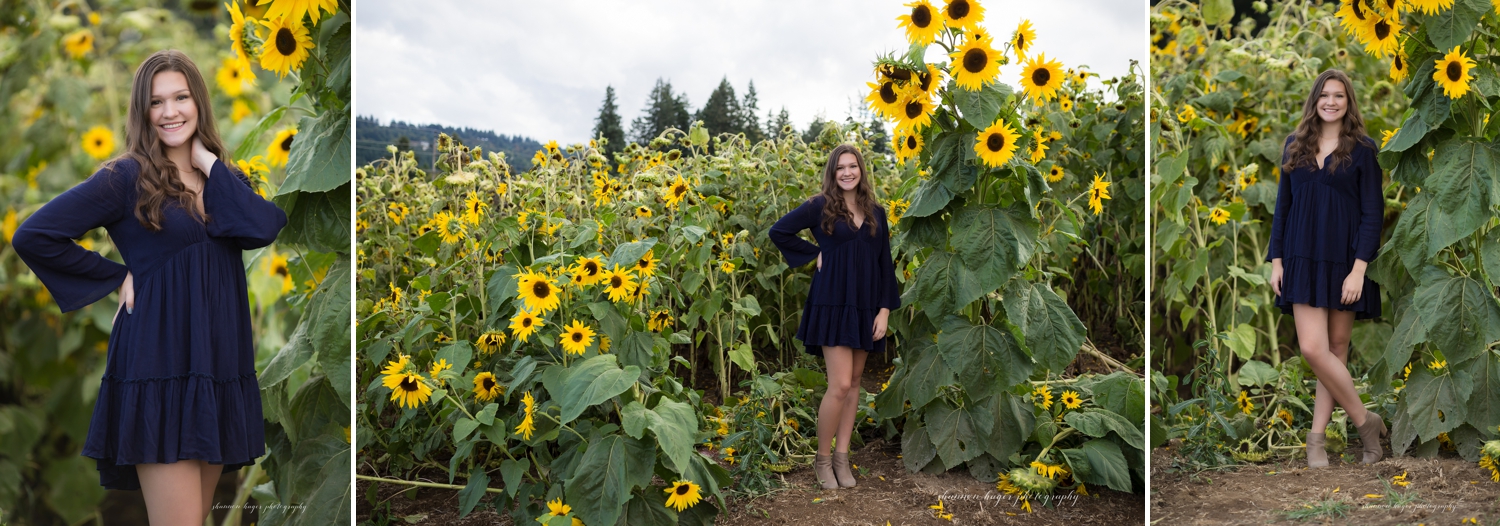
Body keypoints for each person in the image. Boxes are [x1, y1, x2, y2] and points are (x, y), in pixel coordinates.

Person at [12, 50, 287, 525]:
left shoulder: (224, 180)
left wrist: (206, 159)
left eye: (181, 97)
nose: (170, 112)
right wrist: (115, 275)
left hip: (216, 368)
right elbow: (34, 235)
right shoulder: (125, 178)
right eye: (156, 102)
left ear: (198, 102)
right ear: (142, 112)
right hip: (158, 367)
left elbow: (264, 226)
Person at [1267, 69, 1387, 468]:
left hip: (1345, 260)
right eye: (1325, 95)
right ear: (1314, 100)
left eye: (1339, 96)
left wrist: (1358, 270)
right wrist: (1277, 261)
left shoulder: (1363, 150)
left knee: (1336, 350)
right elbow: (1282, 209)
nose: (1331, 102)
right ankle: (1365, 421)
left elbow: (1373, 214)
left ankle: (1316, 440)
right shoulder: (1294, 146)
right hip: (1301, 258)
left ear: (1348, 102)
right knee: (1313, 350)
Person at [769, 144, 901, 489]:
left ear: (861, 171)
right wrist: (815, 253)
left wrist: (884, 310)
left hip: (866, 305)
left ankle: (843, 458)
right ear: (832, 172)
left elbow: (884, 263)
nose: (846, 172)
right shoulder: (820, 206)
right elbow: (778, 231)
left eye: (852, 166)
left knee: (856, 384)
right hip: (831, 302)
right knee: (840, 384)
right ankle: (822, 460)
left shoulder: (876, 211)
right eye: (840, 167)